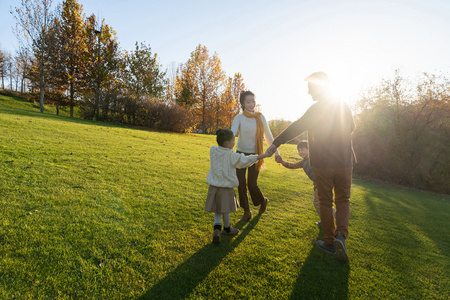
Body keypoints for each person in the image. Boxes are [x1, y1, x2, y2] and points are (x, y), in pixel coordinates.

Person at [267, 72, 356, 262]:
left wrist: (276, 143)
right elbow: (351, 128)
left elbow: (296, 126)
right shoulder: (343, 104)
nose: (308, 92)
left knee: (325, 201)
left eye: (310, 88)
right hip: (345, 161)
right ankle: (341, 236)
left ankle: (330, 242)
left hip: (324, 162)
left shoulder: (316, 110)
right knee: (343, 199)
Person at [206, 129, 272, 244]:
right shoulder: (232, 156)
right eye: (233, 141)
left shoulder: (213, 151)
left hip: (214, 187)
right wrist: (263, 155)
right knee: (225, 210)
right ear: (227, 143)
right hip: (226, 188)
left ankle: (216, 229)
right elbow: (246, 160)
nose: (234, 143)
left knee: (217, 210)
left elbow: (219, 150)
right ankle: (227, 228)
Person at [231, 91, 279, 222]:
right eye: (248, 101)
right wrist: (226, 149)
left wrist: (276, 152)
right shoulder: (239, 118)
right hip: (240, 155)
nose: (252, 104)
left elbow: (268, 136)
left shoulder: (260, 117)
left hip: (256, 155)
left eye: (253, 101)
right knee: (240, 184)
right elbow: (232, 134)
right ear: (242, 103)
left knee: (252, 184)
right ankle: (247, 212)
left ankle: (263, 201)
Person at [275, 140, 336, 226]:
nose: (300, 152)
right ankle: (327, 219)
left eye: (302, 149)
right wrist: (282, 161)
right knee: (322, 203)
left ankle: (333, 216)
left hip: (323, 183)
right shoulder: (303, 162)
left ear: (309, 149)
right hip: (318, 184)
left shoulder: (314, 158)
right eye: (299, 150)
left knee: (317, 203)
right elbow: (292, 166)